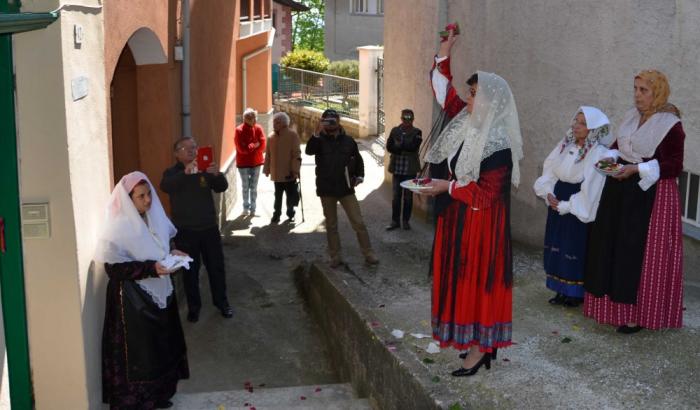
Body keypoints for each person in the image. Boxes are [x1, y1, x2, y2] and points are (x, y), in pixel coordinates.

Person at [419, 29, 523, 377]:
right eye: (470, 92)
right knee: (457, 281)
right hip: (457, 220)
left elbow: (484, 194)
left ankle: (481, 348)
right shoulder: (465, 122)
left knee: (476, 283)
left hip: (481, 227)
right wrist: (445, 48)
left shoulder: (499, 143)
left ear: (493, 102)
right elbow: (443, 91)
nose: (468, 99)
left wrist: (445, 188)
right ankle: (470, 339)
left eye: (475, 94)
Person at [584, 70, 685, 333]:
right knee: (614, 246)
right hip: (621, 190)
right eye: (636, 89)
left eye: (644, 90)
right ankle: (613, 308)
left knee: (638, 254)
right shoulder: (631, 117)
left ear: (658, 92)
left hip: (651, 195)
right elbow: (619, 148)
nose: (637, 95)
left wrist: (636, 170)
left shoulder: (670, 125)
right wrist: (608, 165)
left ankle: (639, 314)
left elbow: (674, 165)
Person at [96, 171, 189, 409]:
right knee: (140, 354)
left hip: (159, 292)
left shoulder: (153, 217)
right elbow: (113, 268)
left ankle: (158, 395)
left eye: (148, 194)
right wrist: (150, 268)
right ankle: (137, 402)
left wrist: (173, 254)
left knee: (160, 347)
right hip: (131, 302)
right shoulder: (119, 227)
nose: (148, 200)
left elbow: (162, 245)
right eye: (141, 196)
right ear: (128, 199)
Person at [533, 107, 610, 307]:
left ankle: (575, 293)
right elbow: (549, 170)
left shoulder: (599, 153)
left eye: (583, 123)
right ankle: (559, 289)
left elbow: (593, 186)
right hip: (557, 199)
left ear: (593, 129)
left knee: (573, 247)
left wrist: (569, 205)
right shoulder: (564, 145)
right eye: (575, 121)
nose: (576, 126)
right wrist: (547, 192)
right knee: (556, 244)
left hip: (575, 203)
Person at [160, 137, 233, 322]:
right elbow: (165, 186)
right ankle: (194, 308)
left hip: (209, 229)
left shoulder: (204, 168)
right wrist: (185, 173)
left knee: (216, 268)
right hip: (186, 232)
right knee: (190, 272)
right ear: (177, 153)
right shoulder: (172, 173)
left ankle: (222, 303)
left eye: (195, 147)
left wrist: (217, 174)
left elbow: (222, 187)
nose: (193, 151)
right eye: (188, 148)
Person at [305, 109, 379, 267]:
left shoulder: (349, 141)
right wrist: (316, 133)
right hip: (326, 189)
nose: (330, 123)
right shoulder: (318, 140)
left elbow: (358, 161)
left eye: (333, 120)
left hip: (346, 189)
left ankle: (368, 253)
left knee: (358, 222)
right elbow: (309, 151)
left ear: (339, 121)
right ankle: (335, 256)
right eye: (327, 120)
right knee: (331, 225)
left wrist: (360, 177)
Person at [386, 109, 423, 230]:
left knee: (408, 197)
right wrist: (403, 147)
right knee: (396, 196)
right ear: (401, 118)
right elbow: (389, 147)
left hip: (410, 170)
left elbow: (413, 147)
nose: (407, 121)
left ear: (413, 119)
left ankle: (406, 221)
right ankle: (395, 221)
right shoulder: (394, 130)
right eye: (405, 118)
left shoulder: (418, 132)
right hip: (397, 168)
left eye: (410, 119)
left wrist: (399, 145)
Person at [263, 111, 302, 224]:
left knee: (290, 195)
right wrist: (266, 169)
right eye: (274, 121)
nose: (275, 124)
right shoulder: (271, 137)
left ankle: (290, 212)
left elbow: (296, 154)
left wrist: (295, 170)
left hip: (289, 172)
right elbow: (268, 155)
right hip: (276, 173)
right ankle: (277, 214)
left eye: (278, 122)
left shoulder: (292, 135)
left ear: (285, 123)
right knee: (277, 196)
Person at [234, 108, 266, 216]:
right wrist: (254, 145)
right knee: (245, 186)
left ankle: (253, 209)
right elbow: (241, 150)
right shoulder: (239, 130)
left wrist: (251, 146)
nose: (255, 120)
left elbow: (262, 145)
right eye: (252, 118)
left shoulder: (258, 128)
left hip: (256, 162)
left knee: (253, 186)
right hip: (243, 163)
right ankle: (245, 208)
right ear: (246, 119)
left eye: (255, 117)